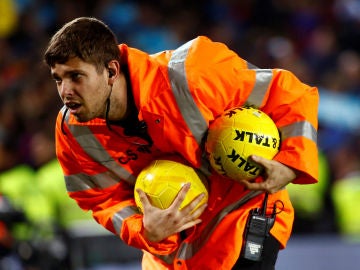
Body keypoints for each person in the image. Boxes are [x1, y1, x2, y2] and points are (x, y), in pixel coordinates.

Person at [43, 17, 319, 270]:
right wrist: (145, 230)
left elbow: (289, 95)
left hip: (240, 218)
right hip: (166, 254)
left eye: (76, 76)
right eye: (58, 79)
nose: (65, 92)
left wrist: (289, 164)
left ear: (111, 71)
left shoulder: (193, 73)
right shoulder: (71, 132)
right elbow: (101, 199)